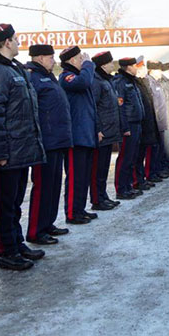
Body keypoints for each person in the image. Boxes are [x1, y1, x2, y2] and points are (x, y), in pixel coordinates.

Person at [0, 23, 45, 270]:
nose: (18, 42)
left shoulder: (14, 68)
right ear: (6, 42)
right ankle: (7, 251)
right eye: (15, 39)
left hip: (21, 150)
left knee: (14, 203)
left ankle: (17, 242)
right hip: (7, 153)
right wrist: (0, 153)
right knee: (4, 204)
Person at [24, 44, 72, 242]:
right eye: (51, 57)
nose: (54, 60)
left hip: (57, 140)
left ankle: (48, 223)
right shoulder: (33, 77)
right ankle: (35, 231)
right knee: (42, 187)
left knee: (53, 186)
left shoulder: (48, 76)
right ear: (39, 58)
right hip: (45, 141)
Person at [58, 46, 99, 224]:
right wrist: (88, 65)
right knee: (75, 177)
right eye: (80, 57)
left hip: (86, 134)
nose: (83, 59)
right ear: (72, 60)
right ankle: (72, 213)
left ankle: (80, 209)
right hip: (76, 136)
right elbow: (84, 82)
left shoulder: (80, 75)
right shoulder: (67, 76)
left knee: (83, 176)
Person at [90, 51, 122, 211]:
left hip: (110, 131)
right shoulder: (96, 81)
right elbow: (93, 107)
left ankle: (103, 196)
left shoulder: (106, 80)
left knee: (103, 168)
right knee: (98, 168)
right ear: (103, 65)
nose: (112, 65)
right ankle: (97, 199)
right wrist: (98, 129)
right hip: (103, 132)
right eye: (110, 63)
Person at [112, 57, 145, 199]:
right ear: (128, 67)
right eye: (134, 66)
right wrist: (124, 127)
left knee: (132, 157)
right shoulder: (120, 82)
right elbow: (121, 107)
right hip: (129, 125)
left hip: (136, 123)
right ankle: (121, 189)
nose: (136, 68)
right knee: (125, 158)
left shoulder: (131, 81)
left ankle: (129, 185)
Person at [134, 57, 160, 187]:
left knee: (143, 153)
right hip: (141, 124)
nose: (145, 70)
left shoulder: (143, 83)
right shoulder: (137, 83)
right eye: (143, 67)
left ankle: (142, 178)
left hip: (147, 123)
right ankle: (137, 180)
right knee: (137, 156)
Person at [146, 61, 169, 180]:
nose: (161, 73)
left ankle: (158, 170)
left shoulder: (157, 82)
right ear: (152, 70)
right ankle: (153, 172)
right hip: (156, 122)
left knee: (160, 148)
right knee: (155, 149)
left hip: (162, 121)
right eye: (158, 70)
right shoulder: (150, 82)